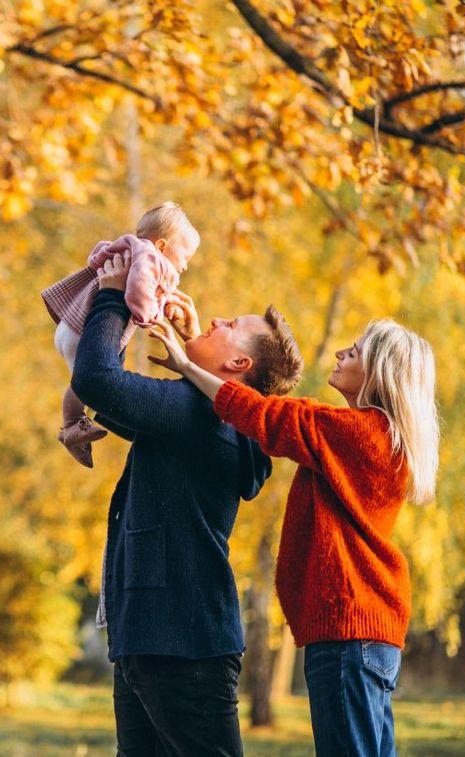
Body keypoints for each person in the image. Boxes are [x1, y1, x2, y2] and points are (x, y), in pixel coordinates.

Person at [148, 294, 440, 757]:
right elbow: (254, 405)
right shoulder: (376, 437)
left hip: (349, 630)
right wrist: (196, 345)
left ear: (380, 373)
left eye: (356, 350)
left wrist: (187, 363)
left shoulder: (355, 432)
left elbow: (263, 414)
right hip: (369, 633)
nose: (343, 353)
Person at [71, 251, 304, 756]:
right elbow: (124, 406)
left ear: (239, 364)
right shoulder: (209, 418)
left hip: (178, 639)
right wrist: (194, 355)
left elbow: (96, 381)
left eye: (230, 326)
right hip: (159, 636)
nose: (215, 318)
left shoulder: (199, 416)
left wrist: (113, 297)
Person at [42, 201, 200, 468]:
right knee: (87, 382)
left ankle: (74, 424)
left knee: (88, 380)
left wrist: (164, 301)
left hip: (71, 327)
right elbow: (139, 287)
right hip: (83, 332)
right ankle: (71, 427)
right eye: (185, 256)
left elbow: (101, 259)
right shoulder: (150, 257)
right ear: (162, 246)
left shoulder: (130, 250)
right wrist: (147, 314)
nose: (185, 265)